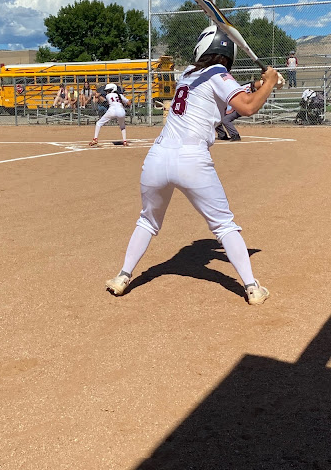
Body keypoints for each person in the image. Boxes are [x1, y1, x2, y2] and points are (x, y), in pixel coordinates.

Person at [105, 26, 278, 305]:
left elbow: (225, 109)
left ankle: (122, 276)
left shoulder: (188, 74)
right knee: (223, 225)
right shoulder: (217, 74)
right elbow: (246, 107)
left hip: (158, 157)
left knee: (147, 220)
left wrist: (256, 87)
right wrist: (268, 83)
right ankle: (252, 287)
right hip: (191, 159)